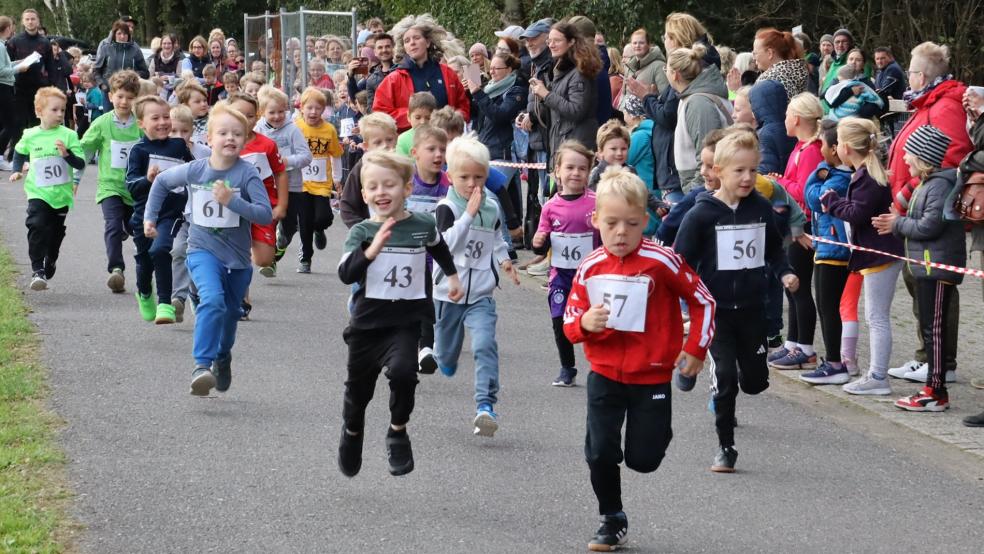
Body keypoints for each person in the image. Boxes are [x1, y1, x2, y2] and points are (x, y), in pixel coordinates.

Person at [563, 166, 715, 552]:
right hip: (604, 374)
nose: (621, 233)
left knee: (643, 460)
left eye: (631, 224)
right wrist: (584, 323)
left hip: (651, 376)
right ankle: (612, 518)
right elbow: (569, 321)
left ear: (645, 222)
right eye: (611, 223)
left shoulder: (662, 261)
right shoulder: (590, 266)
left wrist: (696, 349)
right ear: (595, 220)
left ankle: (656, 432)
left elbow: (703, 301)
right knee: (600, 452)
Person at [674, 128, 797, 473]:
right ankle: (725, 448)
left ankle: (733, 369)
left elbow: (774, 249)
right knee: (726, 378)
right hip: (716, 312)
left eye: (753, 170)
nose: (747, 178)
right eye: (739, 171)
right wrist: (683, 299)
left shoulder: (760, 208)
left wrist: (785, 273)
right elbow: (680, 261)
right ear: (718, 172)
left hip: (754, 309)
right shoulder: (701, 215)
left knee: (754, 383)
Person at [336, 149, 463, 477]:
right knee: (358, 393)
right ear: (364, 194)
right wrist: (371, 251)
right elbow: (346, 274)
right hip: (367, 325)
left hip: (406, 322)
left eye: (389, 185)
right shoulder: (362, 232)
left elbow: (438, 246)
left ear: (407, 188)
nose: (381, 192)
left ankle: (397, 431)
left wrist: (451, 276)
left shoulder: (422, 224)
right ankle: (352, 432)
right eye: (373, 187)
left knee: (405, 373)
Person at [144, 102, 273, 396]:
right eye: (223, 133)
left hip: (237, 259)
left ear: (245, 139)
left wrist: (232, 201)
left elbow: (265, 215)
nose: (230, 138)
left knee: (229, 315)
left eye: (237, 134)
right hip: (202, 250)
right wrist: (150, 217)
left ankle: (222, 356)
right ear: (209, 138)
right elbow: (161, 182)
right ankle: (201, 366)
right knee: (212, 300)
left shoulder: (247, 174)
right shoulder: (196, 170)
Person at [886, 42, 971, 384]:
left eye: (909, 71)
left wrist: (906, 194)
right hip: (916, 206)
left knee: (934, 287)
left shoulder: (944, 106)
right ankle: (927, 356)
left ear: (920, 76)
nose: (907, 77)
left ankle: (940, 362)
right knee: (919, 283)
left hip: (926, 211)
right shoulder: (929, 103)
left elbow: (949, 159)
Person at [869, 125, 963, 410]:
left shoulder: (939, 186)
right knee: (928, 325)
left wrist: (897, 224)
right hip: (926, 267)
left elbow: (929, 226)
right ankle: (932, 388)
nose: (904, 158)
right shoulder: (926, 184)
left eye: (909, 152)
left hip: (937, 269)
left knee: (934, 329)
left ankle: (936, 391)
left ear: (923, 156)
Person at [432, 135, 520, 437]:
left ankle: (485, 405)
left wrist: (505, 260)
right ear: (450, 176)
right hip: (448, 292)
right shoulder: (447, 207)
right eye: (464, 177)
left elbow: (495, 238)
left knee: (484, 345)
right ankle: (445, 358)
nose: (472, 184)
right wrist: (468, 215)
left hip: (481, 293)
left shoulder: (491, 207)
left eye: (479, 177)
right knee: (446, 356)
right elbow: (444, 246)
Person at [820, 117, 904, 394]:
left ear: (845, 147)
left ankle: (878, 376)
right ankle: (876, 374)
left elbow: (857, 213)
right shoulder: (863, 174)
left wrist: (832, 201)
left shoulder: (867, 177)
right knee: (875, 316)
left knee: (877, 317)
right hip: (875, 255)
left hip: (880, 255)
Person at [531, 141, 599, 387]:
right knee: (559, 320)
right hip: (560, 274)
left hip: (591, 276)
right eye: (570, 167)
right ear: (557, 171)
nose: (576, 173)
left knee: (596, 322)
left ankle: (600, 367)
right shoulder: (550, 207)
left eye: (582, 168)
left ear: (589, 172)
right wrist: (538, 242)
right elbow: (540, 243)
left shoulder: (596, 203)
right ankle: (567, 368)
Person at [124, 95, 193, 323]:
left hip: (172, 213)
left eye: (166, 117)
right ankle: (144, 293)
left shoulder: (178, 146)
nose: (163, 122)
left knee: (161, 249)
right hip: (144, 215)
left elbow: (194, 170)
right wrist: (147, 179)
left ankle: (165, 304)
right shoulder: (138, 150)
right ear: (141, 123)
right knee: (144, 261)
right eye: (155, 118)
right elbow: (131, 186)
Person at [767, 93, 823, 373]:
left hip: (805, 225)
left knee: (799, 287)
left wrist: (780, 184)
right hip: (793, 223)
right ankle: (792, 342)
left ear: (798, 119)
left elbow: (804, 191)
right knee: (791, 289)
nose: (785, 119)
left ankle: (806, 348)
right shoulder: (800, 147)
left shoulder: (811, 151)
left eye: (788, 114)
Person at [8, 86, 85, 290]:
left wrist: (67, 154)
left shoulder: (69, 135)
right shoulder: (30, 134)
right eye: (54, 110)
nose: (60, 114)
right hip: (38, 192)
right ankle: (37, 271)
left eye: (62, 110)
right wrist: (16, 170)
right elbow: (19, 152)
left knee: (55, 233)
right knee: (36, 225)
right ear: (39, 111)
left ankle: (51, 257)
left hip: (61, 195)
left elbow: (80, 164)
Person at [78, 70, 142, 293]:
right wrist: (74, 178)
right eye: (120, 96)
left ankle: (146, 266)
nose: (124, 102)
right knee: (112, 226)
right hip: (110, 186)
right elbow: (85, 150)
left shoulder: (141, 125)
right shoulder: (102, 123)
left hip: (135, 188)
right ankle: (116, 270)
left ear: (136, 99)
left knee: (137, 229)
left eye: (129, 97)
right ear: (111, 96)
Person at [802, 119, 854, 381]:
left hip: (834, 250)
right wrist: (821, 171)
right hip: (823, 246)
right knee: (825, 305)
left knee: (829, 307)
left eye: (822, 144)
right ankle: (833, 360)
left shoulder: (840, 179)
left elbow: (813, 198)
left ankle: (835, 363)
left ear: (835, 149)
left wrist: (818, 173)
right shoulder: (830, 174)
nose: (819, 149)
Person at [373, 15, 470, 132]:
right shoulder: (394, 79)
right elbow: (380, 114)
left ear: (428, 42)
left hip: (446, 138)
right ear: (404, 48)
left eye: (416, 38)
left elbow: (464, 108)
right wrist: (416, 117)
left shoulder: (448, 73)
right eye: (407, 41)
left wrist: (450, 120)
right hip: (410, 140)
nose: (412, 43)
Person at [254, 85, 311, 276]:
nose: (277, 116)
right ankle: (269, 261)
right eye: (272, 112)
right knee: (268, 222)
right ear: (262, 112)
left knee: (289, 226)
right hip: (266, 185)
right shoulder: (257, 129)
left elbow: (306, 157)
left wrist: (286, 161)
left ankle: (282, 241)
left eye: (281, 111)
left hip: (291, 186)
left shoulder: (292, 130)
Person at [528, 20, 601, 158]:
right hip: (562, 145)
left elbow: (576, 111)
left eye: (557, 41)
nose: (551, 45)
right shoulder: (560, 70)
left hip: (576, 148)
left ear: (571, 42)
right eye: (549, 41)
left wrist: (546, 94)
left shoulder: (579, 72)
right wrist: (542, 96)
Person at [666, 42, 732, 190]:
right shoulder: (692, 98)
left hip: (705, 186)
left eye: (666, 69)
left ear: (675, 74)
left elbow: (708, 155)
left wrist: (694, 193)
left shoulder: (698, 103)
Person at [294, 87, 343, 273]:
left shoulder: (329, 129)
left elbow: (336, 154)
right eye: (309, 108)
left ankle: (319, 229)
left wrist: (337, 178)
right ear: (302, 108)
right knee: (304, 221)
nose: (313, 112)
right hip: (301, 183)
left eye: (318, 108)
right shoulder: (296, 127)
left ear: (324, 110)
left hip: (322, 183)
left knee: (324, 217)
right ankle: (305, 259)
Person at [5, 9, 58, 165]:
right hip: (18, 87)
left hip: (39, 88)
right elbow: (7, 64)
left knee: (36, 122)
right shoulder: (14, 41)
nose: (30, 22)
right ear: (23, 21)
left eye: (33, 19)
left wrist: (53, 86)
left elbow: (51, 66)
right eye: (27, 19)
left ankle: (34, 155)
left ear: (38, 21)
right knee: (19, 123)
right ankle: (15, 158)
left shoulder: (45, 42)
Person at [750, 29, 806, 174]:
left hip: (773, 145)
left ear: (769, 53)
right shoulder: (797, 72)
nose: (754, 58)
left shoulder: (767, 80)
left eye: (755, 53)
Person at [339, 112, 399, 227]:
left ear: (396, 138)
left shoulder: (402, 165)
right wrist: (362, 230)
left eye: (389, 140)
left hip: (401, 230)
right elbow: (346, 205)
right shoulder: (362, 167)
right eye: (378, 142)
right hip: (373, 231)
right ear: (366, 146)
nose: (385, 145)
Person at [92, 19, 149, 111]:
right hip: (109, 91)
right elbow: (96, 71)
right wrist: (102, 85)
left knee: (130, 117)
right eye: (119, 33)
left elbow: (145, 72)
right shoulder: (105, 48)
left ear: (129, 35)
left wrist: (132, 77)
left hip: (130, 92)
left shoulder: (135, 49)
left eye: (125, 34)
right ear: (114, 34)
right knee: (110, 117)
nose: (122, 36)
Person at [0, 15, 33, 171]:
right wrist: (19, 69)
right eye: (11, 26)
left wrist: (17, 62)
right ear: (7, 28)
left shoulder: (2, 45)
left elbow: (5, 66)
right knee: (10, 124)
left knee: (5, 124)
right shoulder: (0, 46)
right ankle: (0, 156)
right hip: (3, 87)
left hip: (4, 86)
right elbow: (1, 71)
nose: (12, 29)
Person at [620, 28, 668, 112]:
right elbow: (624, 95)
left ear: (648, 45)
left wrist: (650, 95)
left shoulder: (659, 66)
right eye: (634, 43)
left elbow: (665, 98)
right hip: (627, 117)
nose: (637, 46)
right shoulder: (630, 67)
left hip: (647, 117)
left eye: (641, 43)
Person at [347, 32, 396, 112]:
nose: (384, 50)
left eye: (387, 46)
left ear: (393, 49)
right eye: (380, 47)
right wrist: (350, 76)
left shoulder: (402, 70)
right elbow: (357, 98)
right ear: (375, 52)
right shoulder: (372, 78)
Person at [588, 119, 634, 190]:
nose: (619, 153)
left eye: (623, 149)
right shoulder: (596, 174)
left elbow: (642, 192)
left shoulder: (631, 171)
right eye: (613, 149)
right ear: (601, 151)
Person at [395, 91, 436, 157]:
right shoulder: (402, 140)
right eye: (417, 118)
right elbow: (401, 162)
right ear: (408, 116)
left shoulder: (439, 137)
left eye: (428, 118)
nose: (422, 122)